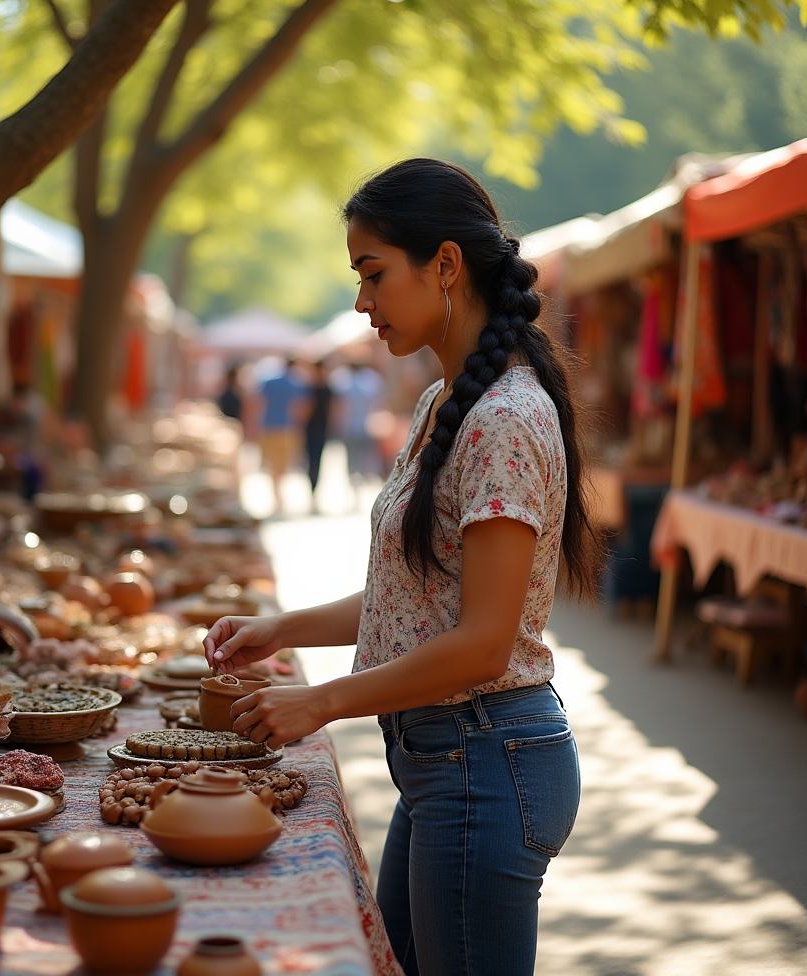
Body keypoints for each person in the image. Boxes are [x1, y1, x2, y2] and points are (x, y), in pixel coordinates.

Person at [204, 159, 602, 976]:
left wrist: (321, 701)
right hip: (446, 763)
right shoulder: (441, 402)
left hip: (486, 764)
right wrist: (284, 627)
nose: (362, 303)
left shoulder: (504, 419)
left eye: (373, 273)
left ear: (446, 265)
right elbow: (412, 599)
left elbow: (484, 645)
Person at [257, 357, 309, 511]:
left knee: (271, 463)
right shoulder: (295, 384)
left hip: (268, 426)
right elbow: (301, 406)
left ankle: (276, 495)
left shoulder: (269, 382)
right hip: (287, 428)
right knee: (283, 464)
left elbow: (258, 403)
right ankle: (279, 495)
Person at [334, 360, 384, 489]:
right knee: (363, 457)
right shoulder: (368, 386)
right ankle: (360, 483)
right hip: (365, 427)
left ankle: (353, 484)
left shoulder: (345, 386)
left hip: (349, 427)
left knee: (351, 457)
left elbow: (341, 408)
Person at [304, 360, 333, 507]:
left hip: (321, 429)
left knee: (317, 461)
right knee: (311, 460)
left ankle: (314, 490)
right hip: (311, 429)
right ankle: (312, 490)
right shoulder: (310, 388)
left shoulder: (327, 388)